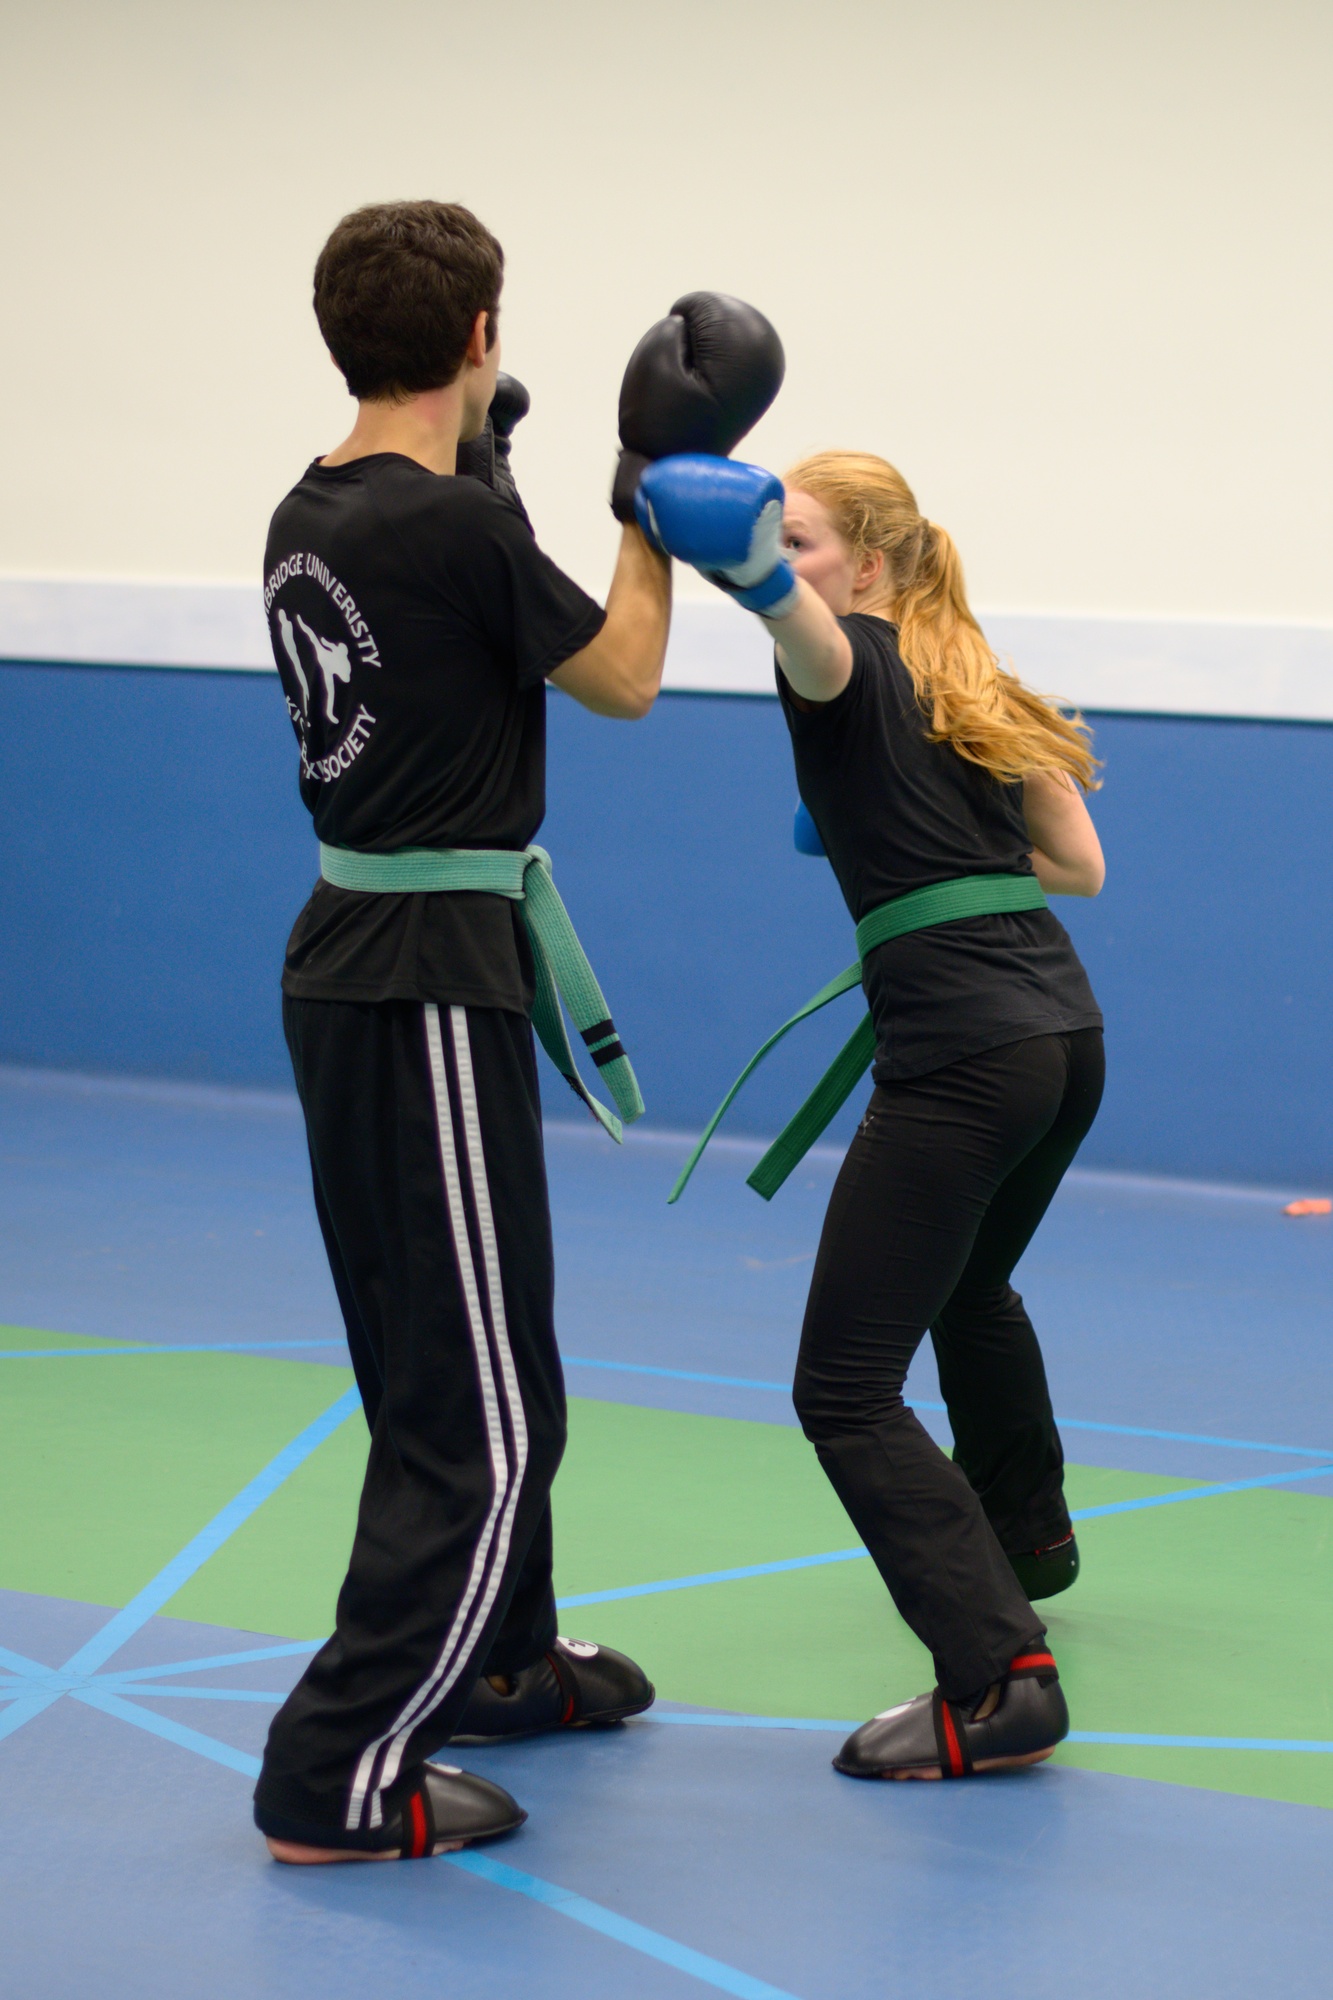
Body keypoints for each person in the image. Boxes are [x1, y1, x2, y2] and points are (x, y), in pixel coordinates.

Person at [253, 200, 675, 1863]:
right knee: (488, 1417)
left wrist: (490, 464)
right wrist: (645, 497)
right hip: (428, 973)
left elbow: (451, 649)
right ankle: (337, 1769)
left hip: (358, 955)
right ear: (482, 334)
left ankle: (497, 1659)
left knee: (466, 1348)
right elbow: (622, 675)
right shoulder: (450, 530)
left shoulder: (311, 507)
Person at [638, 447, 1105, 1781]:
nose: (790, 561)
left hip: (963, 1052)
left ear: (874, 561)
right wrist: (925, 845)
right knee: (971, 1289)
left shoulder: (834, 657)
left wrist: (747, 569)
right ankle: (1024, 1538)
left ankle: (998, 1678)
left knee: (841, 1392)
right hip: (1062, 1038)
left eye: (804, 539)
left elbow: (795, 627)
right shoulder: (977, 681)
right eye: (777, 539)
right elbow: (1077, 866)